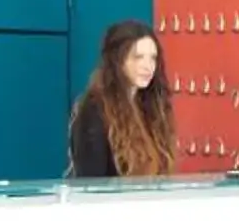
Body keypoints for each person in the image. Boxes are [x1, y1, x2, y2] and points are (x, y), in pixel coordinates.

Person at [67, 21, 177, 178]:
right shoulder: (94, 109)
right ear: (118, 60)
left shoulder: (152, 107)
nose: (148, 66)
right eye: (138, 57)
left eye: (153, 58)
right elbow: (91, 180)